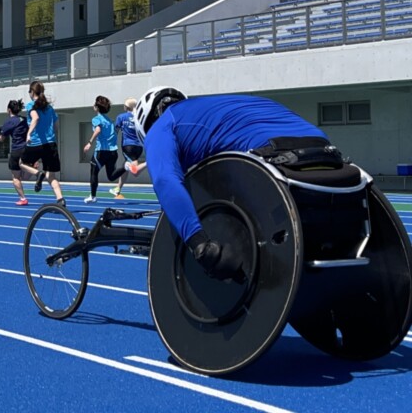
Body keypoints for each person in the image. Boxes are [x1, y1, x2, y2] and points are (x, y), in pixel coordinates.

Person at [133, 86, 329, 281]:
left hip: (271, 157)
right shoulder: (217, 105)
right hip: (326, 153)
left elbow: (165, 180)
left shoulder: (161, 125)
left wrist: (200, 245)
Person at [21, 81, 67, 205]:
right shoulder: (49, 108)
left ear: (31, 92)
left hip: (36, 143)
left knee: (21, 163)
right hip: (50, 144)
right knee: (51, 176)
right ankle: (60, 199)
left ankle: (38, 173)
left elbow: (35, 118)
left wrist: (29, 133)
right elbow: (56, 125)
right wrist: (52, 136)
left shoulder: (31, 105)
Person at [82, 95, 128, 203]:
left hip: (101, 152)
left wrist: (89, 143)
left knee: (94, 172)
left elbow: (97, 130)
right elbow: (115, 134)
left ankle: (93, 196)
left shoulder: (97, 119)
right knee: (111, 176)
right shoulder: (109, 121)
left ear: (97, 107)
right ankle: (126, 166)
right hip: (112, 152)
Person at [0, 99, 31, 206]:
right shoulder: (24, 119)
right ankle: (34, 169)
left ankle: (23, 198)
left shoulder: (8, 122)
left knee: (16, 177)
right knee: (24, 173)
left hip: (16, 150)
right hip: (27, 149)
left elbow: (2, 139)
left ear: (9, 110)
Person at [115, 97, 147, 183]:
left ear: (126, 107)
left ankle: (149, 162)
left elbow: (115, 131)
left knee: (134, 171)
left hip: (128, 146)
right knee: (125, 165)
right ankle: (118, 188)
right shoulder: (139, 118)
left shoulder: (121, 117)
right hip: (139, 147)